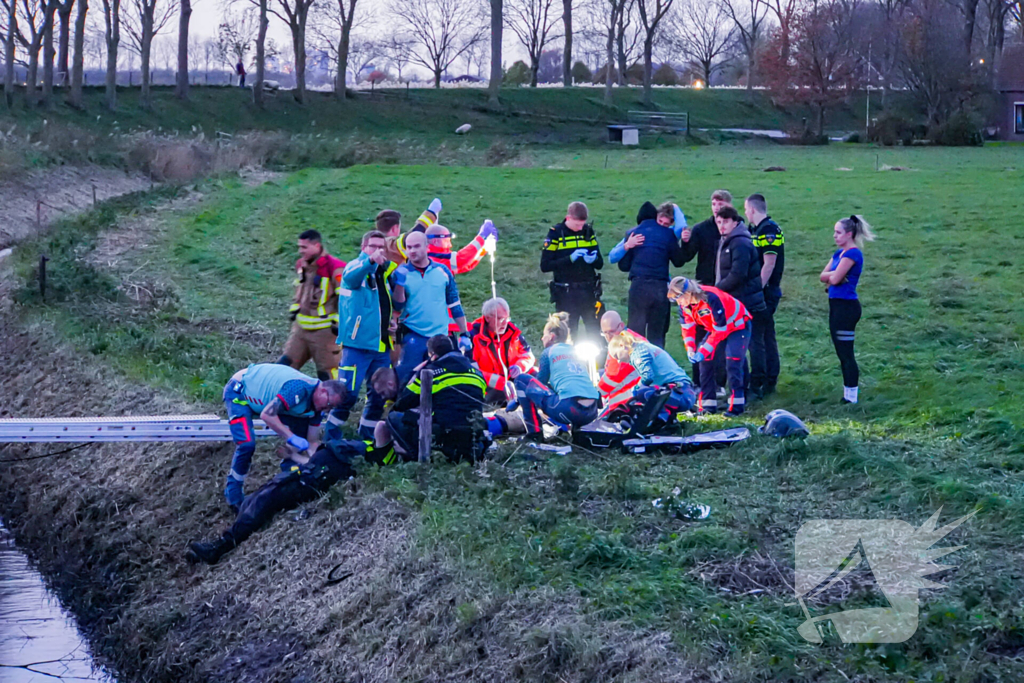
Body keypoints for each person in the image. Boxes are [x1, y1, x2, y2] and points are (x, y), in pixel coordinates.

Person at [186, 435, 401, 565]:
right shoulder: (361, 447)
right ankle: (214, 546)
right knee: (252, 500)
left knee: (262, 503)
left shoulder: (372, 457)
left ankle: (219, 548)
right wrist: (292, 456)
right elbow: (316, 459)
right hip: (301, 474)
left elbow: (382, 428)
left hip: (306, 484)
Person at [222, 363, 346, 511]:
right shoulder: (298, 389)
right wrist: (291, 436)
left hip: (271, 403)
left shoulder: (317, 407)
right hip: (240, 392)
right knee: (246, 444)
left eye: (330, 408)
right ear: (322, 391)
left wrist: (317, 462)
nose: (326, 410)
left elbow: (312, 440)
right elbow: (267, 415)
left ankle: (286, 487)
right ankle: (234, 495)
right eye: (328, 404)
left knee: (300, 432)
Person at [328, 230, 398, 441]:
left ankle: (367, 438)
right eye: (373, 246)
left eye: (381, 247)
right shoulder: (356, 267)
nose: (378, 250)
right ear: (363, 248)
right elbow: (351, 277)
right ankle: (330, 440)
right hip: (356, 346)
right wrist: (369, 261)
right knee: (346, 396)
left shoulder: (383, 273)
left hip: (381, 347)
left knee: (379, 397)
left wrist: (389, 323)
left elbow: (380, 306)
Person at [375, 335, 487, 462]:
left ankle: (411, 456)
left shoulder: (431, 372)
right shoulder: (478, 374)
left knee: (393, 417)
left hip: (444, 438)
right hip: (472, 438)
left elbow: (402, 402)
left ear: (432, 355)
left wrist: (415, 372)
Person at [390, 232, 470, 385]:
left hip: (440, 336)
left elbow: (454, 304)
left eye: (417, 246)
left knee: (444, 378)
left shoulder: (443, 272)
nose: (412, 251)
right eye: (409, 247)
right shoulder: (400, 273)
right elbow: (397, 306)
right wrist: (399, 284)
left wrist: (464, 333)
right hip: (412, 334)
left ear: (427, 247)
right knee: (407, 377)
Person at [668, 277, 752, 416]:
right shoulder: (685, 307)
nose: (678, 302)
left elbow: (721, 329)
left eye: (678, 297)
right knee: (705, 362)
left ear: (688, 293)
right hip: (717, 329)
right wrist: (690, 348)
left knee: (733, 362)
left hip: (738, 325)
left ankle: (736, 407)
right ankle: (708, 406)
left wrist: (704, 350)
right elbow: (687, 329)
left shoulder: (711, 298)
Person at [513, 313, 601, 438]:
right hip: (592, 411)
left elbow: (539, 384)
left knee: (522, 380)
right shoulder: (576, 351)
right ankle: (577, 431)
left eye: (544, 335)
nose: (542, 339)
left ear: (552, 336)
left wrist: (517, 400)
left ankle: (534, 434)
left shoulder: (549, 352)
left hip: (568, 409)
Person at [615, 201, 687, 348]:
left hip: (638, 287)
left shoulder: (632, 233)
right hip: (660, 288)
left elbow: (623, 265)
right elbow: (679, 261)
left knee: (635, 333)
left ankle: (637, 367)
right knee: (657, 334)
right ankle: (658, 367)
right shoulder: (668, 234)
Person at [820, 215, 874, 404]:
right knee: (841, 351)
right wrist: (834, 276)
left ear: (849, 234)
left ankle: (851, 397)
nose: (834, 236)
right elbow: (823, 276)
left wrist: (833, 277)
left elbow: (832, 280)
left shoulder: (852, 254)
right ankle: (848, 393)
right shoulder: (838, 254)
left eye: (838, 232)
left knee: (846, 353)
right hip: (836, 305)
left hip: (846, 307)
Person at [278, 230, 346, 381]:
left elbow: (346, 300)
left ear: (317, 245)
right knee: (284, 367)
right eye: (299, 247)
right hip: (300, 330)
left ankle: (335, 403)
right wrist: (295, 308)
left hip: (325, 333)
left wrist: (338, 323)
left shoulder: (336, 267)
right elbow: (300, 289)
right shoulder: (302, 265)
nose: (300, 251)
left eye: (304, 247)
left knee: (328, 374)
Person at [540, 201, 605, 340]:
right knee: (568, 334)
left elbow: (600, 263)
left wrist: (592, 259)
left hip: (588, 292)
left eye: (582, 224)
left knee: (595, 334)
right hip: (566, 294)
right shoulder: (556, 234)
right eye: (577, 224)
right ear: (568, 218)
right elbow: (545, 265)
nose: (580, 228)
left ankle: (599, 361)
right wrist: (570, 259)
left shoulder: (588, 232)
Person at [606, 332, 696, 427]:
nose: (619, 361)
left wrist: (636, 390)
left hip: (682, 394)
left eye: (616, 356)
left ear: (622, 345)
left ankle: (659, 421)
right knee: (647, 391)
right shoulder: (644, 346)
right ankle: (667, 419)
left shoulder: (637, 353)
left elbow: (647, 377)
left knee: (642, 392)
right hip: (685, 391)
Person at [426, 219, 499, 335]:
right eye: (447, 239)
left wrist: (485, 248)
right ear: (435, 241)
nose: (450, 244)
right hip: (436, 324)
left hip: (440, 323)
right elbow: (461, 259)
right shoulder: (435, 258)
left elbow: (466, 265)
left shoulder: (435, 258)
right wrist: (481, 237)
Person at [745, 193, 785, 398]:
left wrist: (758, 288)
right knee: (766, 335)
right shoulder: (758, 230)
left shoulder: (768, 230)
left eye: (746, 209)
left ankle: (759, 382)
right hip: (765, 290)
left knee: (758, 337)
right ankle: (769, 380)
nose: (745, 213)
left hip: (766, 292)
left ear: (752, 209)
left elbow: (769, 263)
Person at [467, 297, 536, 406]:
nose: (505, 323)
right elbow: (471, 370)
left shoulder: (513, 332)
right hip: (488, 387)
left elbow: (528, 355)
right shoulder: (472, 336)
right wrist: (500, 382)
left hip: (511, 381)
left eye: (507, 318)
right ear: (488, 318)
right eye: (500, 319)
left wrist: (519, 367)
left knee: (536, 375)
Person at [596, 310, 645, 415]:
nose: (609, 337)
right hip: (640, 392)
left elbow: (611, 378)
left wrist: (593, 396)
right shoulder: (628, 337)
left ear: (621, 326)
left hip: (632, 398)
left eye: (611, 331)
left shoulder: (623, 346)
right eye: (605, 333)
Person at [681, 190, 731, 287]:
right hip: (706, 281)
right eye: (714, 204)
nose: (716, 208)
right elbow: (687, 256)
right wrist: (685, 242)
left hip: (729, 282)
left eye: (720, 204)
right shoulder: (701, 229)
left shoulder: (736, 228)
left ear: (729, 205)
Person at [378, 199, 442, 266]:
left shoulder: (370, 241)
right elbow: (411, 237)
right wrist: (432, 212)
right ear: (394, 228)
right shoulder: (390, 244)